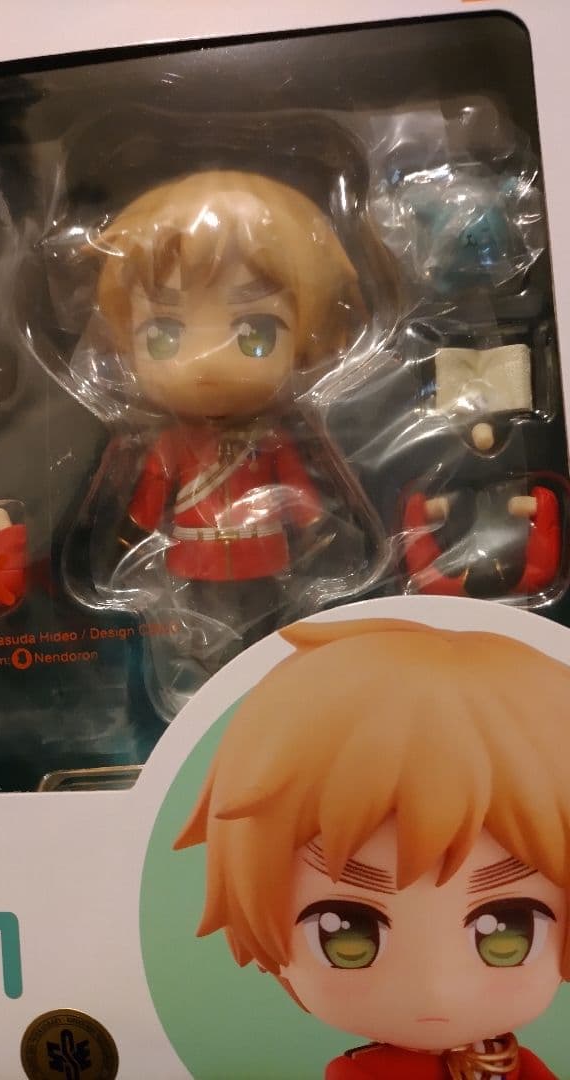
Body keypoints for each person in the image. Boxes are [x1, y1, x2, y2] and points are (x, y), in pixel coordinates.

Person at [176, 617, 568, 1078]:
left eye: (508, 932)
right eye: (348, 935)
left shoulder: (505, 1059)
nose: (436, 989)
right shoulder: (361, 1072)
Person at [89, 170, 396, 697]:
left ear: (307, 338)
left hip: (263, 556)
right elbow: (152, 495)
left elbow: (296, 489)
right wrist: (132, 533)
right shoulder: (171, 443)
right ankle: (206, 689)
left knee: (266, 635)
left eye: (256, 333)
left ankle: (266, 689)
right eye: (163, 334)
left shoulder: (273, 436)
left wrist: (313, 528)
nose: (206, 362)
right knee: (198, 637)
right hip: (194, 558)